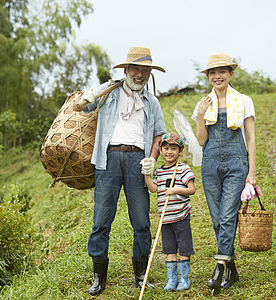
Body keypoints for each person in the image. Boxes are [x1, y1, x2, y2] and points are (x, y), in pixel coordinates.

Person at [73, 46, 167, 295]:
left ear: (149, 73)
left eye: (145, 70)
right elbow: (81, 108)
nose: (140, 74)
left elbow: (159, 133)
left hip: (138, 160)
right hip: (109, 159)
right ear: (126, 70)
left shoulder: (151, 101)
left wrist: (152, 159)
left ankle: (140, 275)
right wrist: (87, 97)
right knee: (101, 221)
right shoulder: (109, 92)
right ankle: (98, 278)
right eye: (135, 69)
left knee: (141, 222)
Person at [192, 52, 257, 290]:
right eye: (212, 72)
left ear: (231, 74)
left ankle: (219, 267)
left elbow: (250, 138)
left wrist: (252, 173)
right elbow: (201, 140)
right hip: (210, 164)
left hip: (236, 163)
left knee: (228, 215)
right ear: (208, 76)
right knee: (217, 218)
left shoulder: (243, 101)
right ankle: (231, 268)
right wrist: (200, 115)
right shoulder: (203, 103)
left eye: (222, 71)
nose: (217, 76)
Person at [144, 132, 196, 291]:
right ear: (160, 149)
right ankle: (172, 280)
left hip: (181, 215)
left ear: (180, 151)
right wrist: (146, 174)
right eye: (166, 148)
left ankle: (184, 280)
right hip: (165, 219)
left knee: (184, 248)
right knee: (169, 249)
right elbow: (153, 189)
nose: (169, 151)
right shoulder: (159, 171)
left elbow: (191, 189)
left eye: (174, 148)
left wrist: (175, 190)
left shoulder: (183, 169)